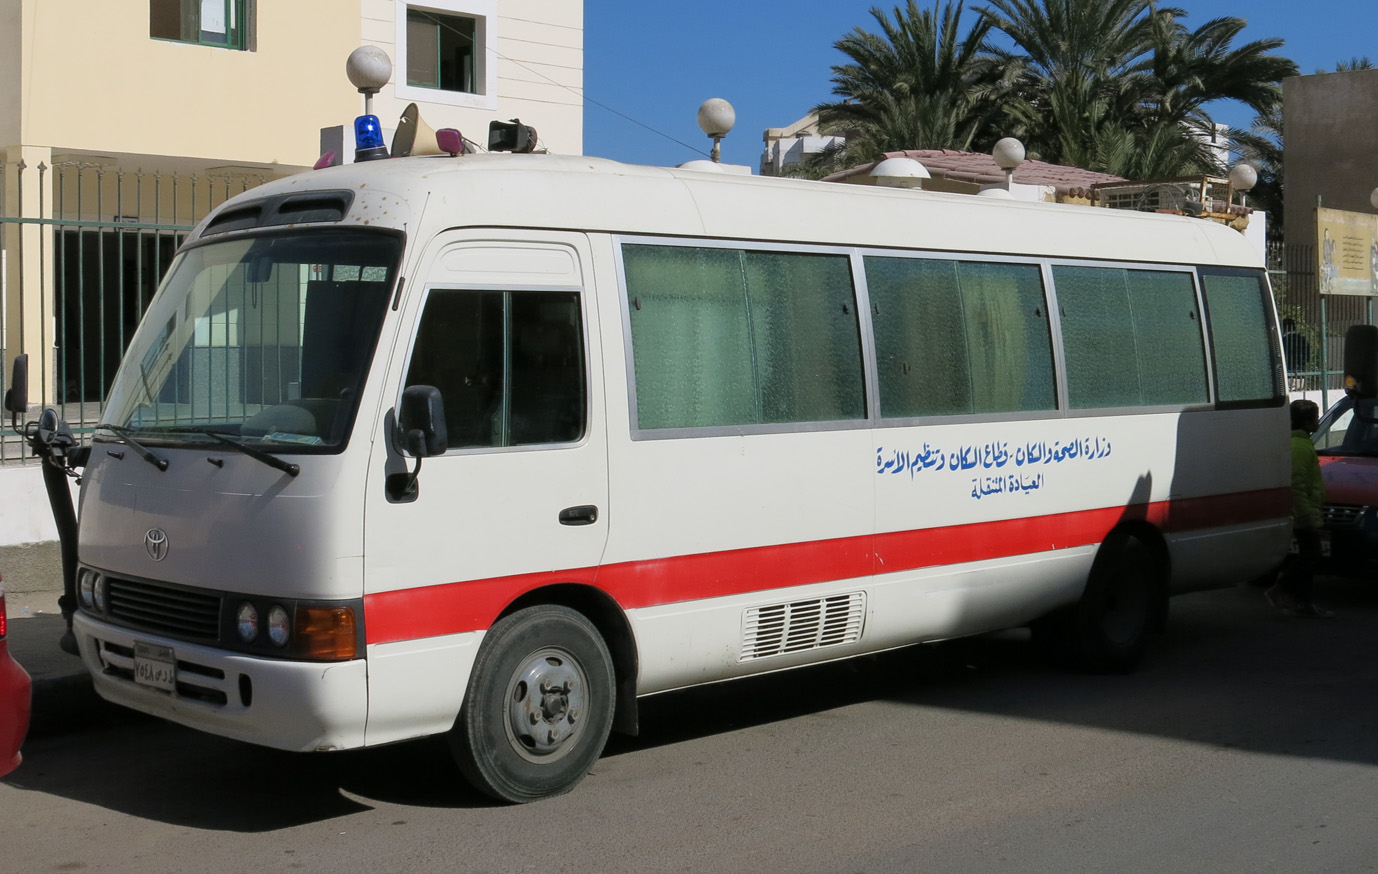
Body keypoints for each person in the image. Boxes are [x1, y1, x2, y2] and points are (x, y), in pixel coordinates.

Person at [1266, 399, 1333, 617]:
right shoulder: (1301, 446)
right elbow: (1297, 485)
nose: (1318, 421)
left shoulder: (1298, 443)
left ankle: (1304, 603)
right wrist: (1306, 515)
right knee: (1310, 555)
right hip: (1303, 513)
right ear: (1307, 422)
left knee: (1309, 555)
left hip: (1305, 511)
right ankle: (1281, 589)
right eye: (1315, 417)